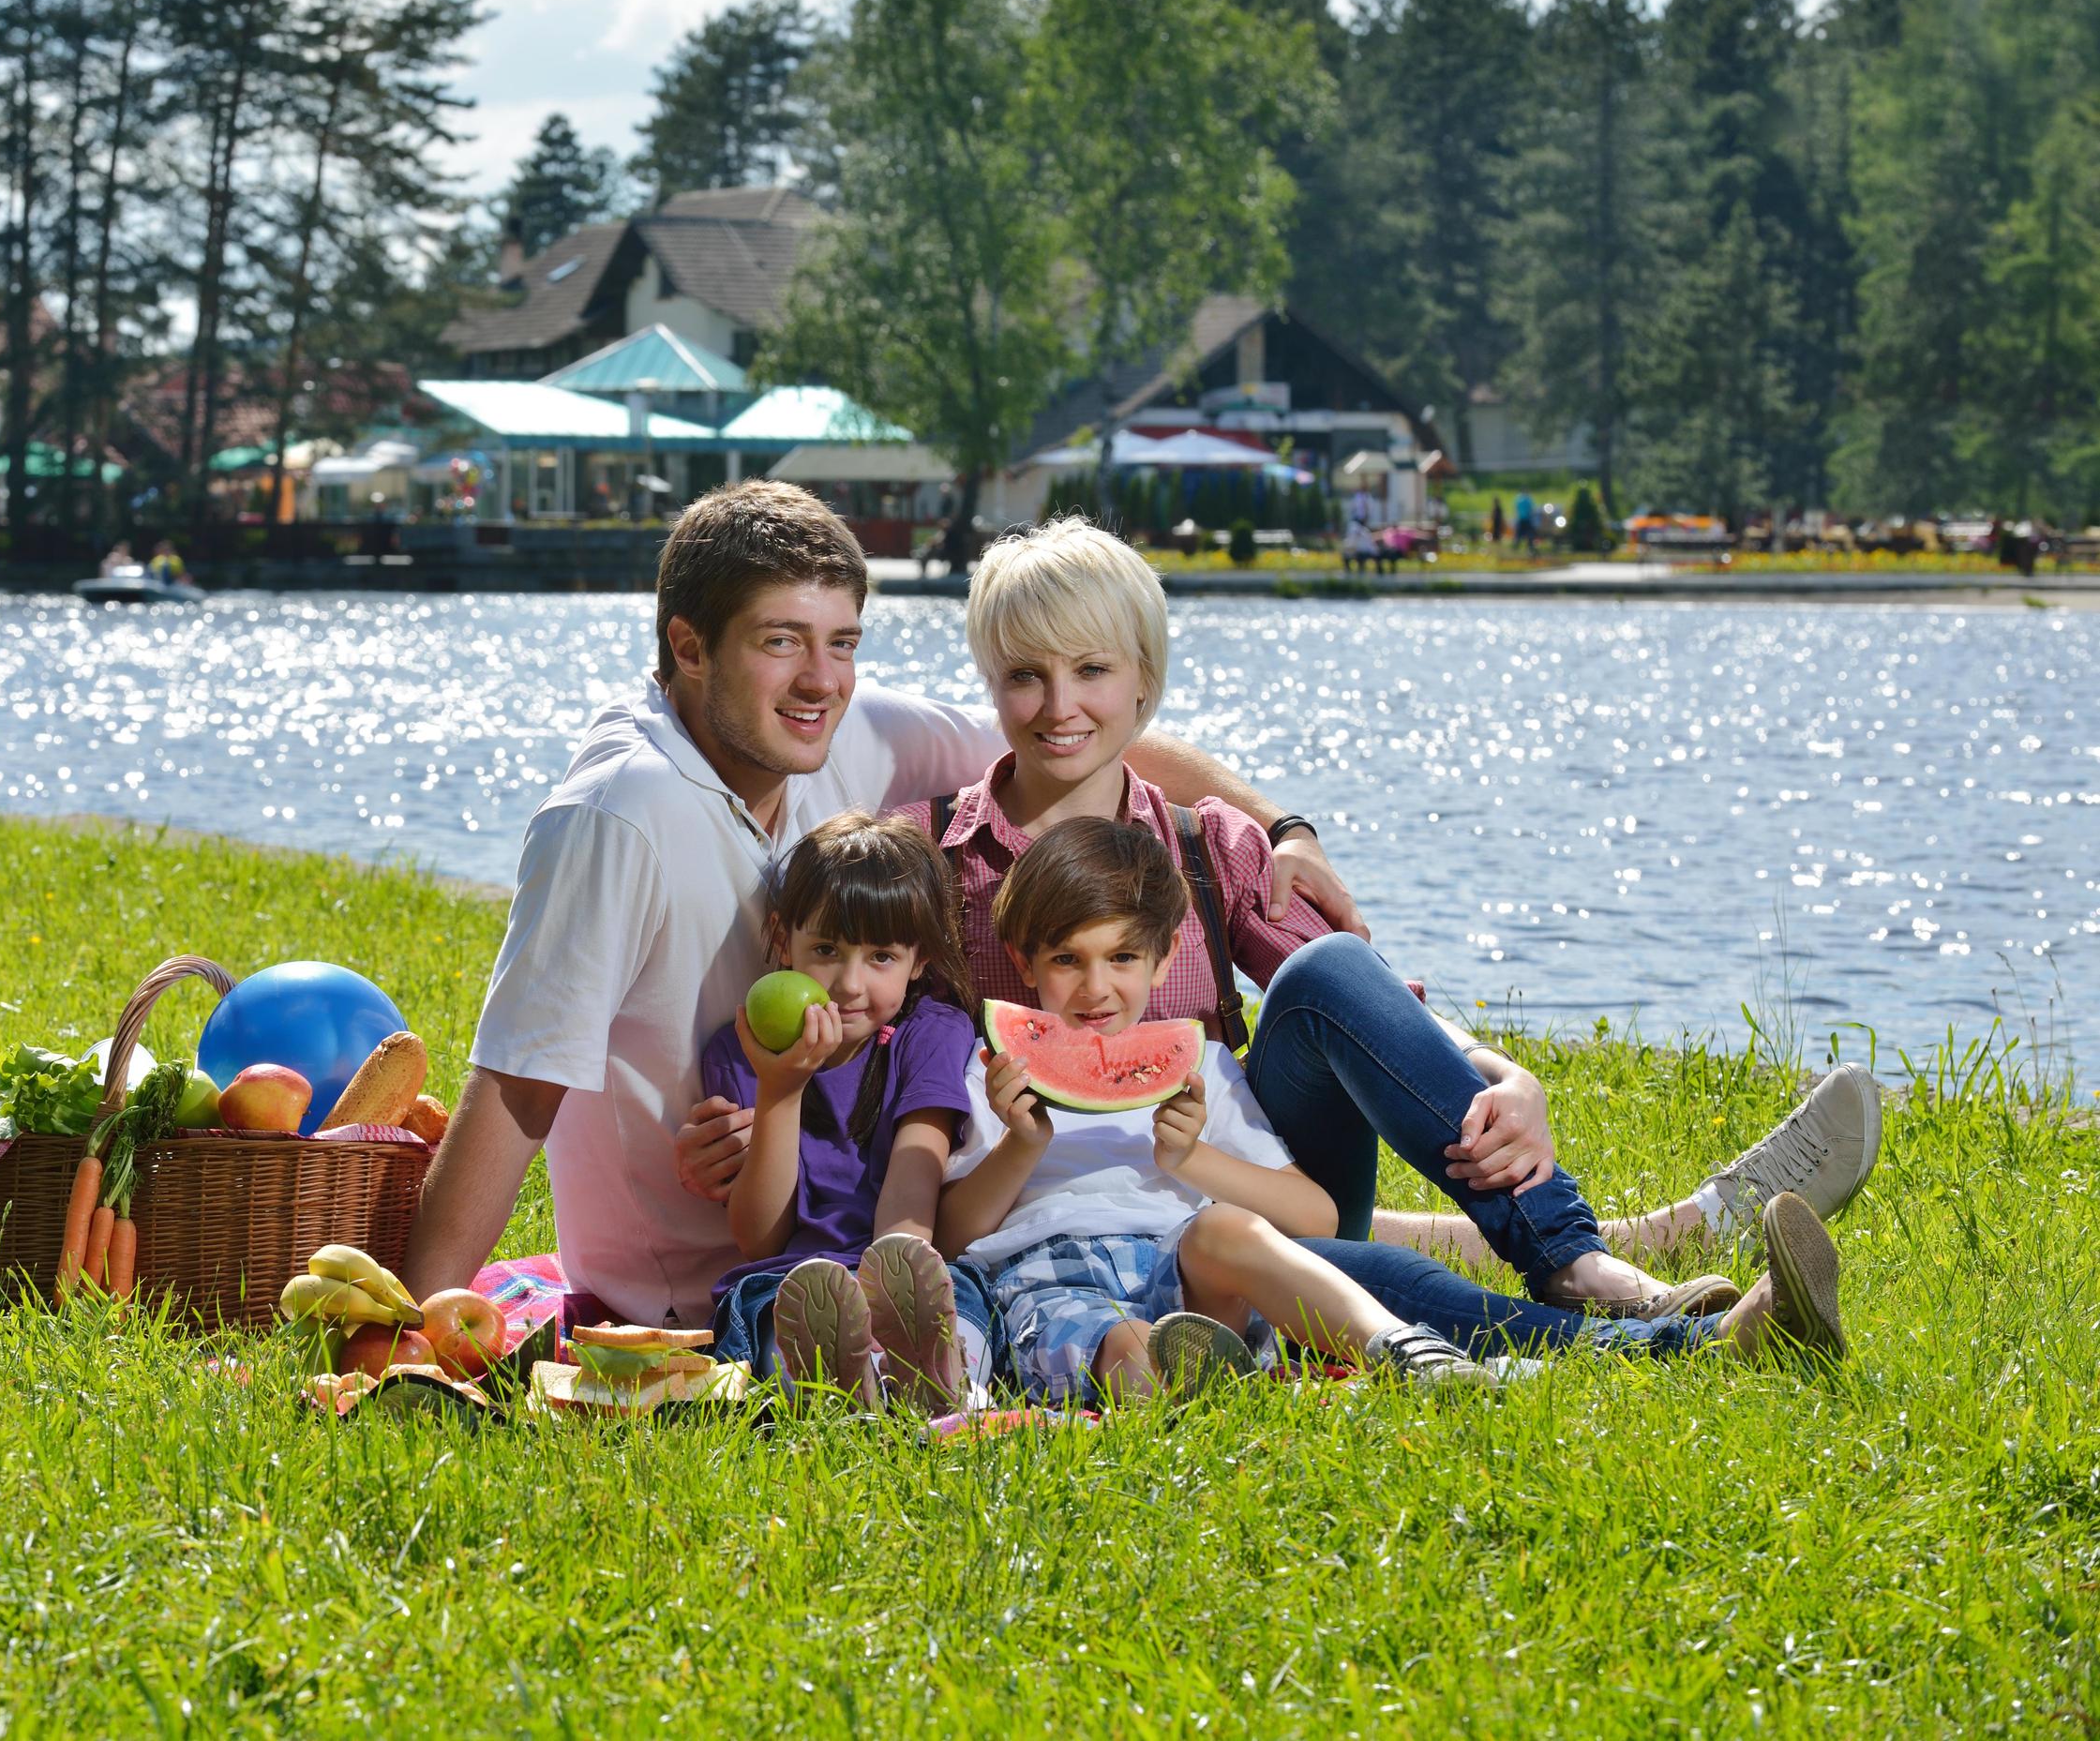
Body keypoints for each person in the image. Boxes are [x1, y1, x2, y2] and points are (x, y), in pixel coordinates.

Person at [399, 481, 1362, 1324]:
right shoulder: (618, 813)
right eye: (781, 643)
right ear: (688, 648)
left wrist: (1283, 825)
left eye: (842, 644)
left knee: (1313, 1236)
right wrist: (418, 1316)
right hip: (692, 1281)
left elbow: (1079, 731)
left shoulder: (838, 727)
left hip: (879, 1220)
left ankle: (1450, 1269)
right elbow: (519, 1081)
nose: (820, 680)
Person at [882, 518, 1878, 1312]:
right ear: (990, 683)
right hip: (1046, 1206)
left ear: (1146, 684)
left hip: (1255, 1178)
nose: (1060, 705)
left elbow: (1363, 998)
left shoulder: (1209, 844)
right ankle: (1665, 1253)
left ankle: (1573, 1256)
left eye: (1092, 670)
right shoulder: (927, 857)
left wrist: (1504, 1072)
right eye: (1026, 675)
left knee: (1317, 973)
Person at [945, 818, 1851, 1403]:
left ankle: (1650, 1336)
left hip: (1209, 1266)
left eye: (1120, 961)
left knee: (1281, 1244)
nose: (1096, 991)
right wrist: (1020, 1145)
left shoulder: (1206, 1066)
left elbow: (1316, 1211)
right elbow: (948, 1233)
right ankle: (1695, 1344)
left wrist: (1192, 1164)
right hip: (1053, 1281)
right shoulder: (986, 1079)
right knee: (1163, 1326)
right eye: (1067, 962)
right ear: (1022, 964)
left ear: (1158, 962)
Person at [701, 811, 983, 1410]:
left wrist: (885, 1281)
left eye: (882, 956)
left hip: (912, 1271)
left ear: (921, 962)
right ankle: (849, 1388)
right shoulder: (740, 1050)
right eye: (826, 949)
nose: (850, 984)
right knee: (777, 1318)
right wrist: (780, 1089)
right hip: (794, 1277)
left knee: (964, 1309)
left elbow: (915, 1183)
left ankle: (930, 1377)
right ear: (783, 939)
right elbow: (759, 1237)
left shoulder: (933, 1032)